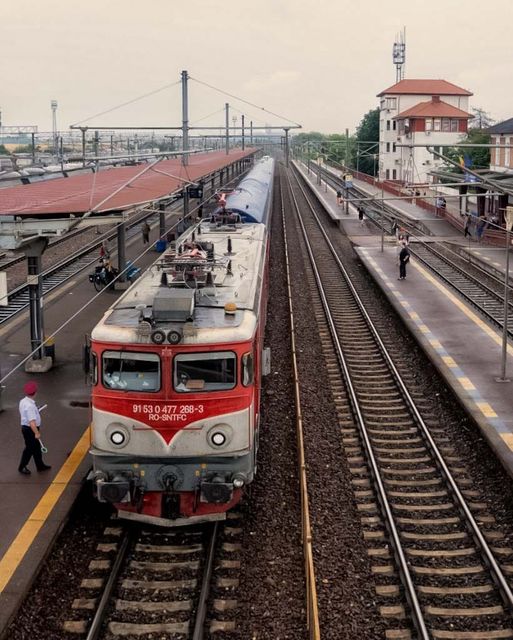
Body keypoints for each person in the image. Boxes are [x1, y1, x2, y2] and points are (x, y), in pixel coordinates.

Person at [18, 381, 51, 475]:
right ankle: (22, 466)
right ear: (35, 392)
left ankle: (40, 465)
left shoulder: (23, 401)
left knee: (36, 448)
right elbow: (32, 422)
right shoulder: (30, 406)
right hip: (30, 430)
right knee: (29, 449)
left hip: (27, 428)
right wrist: (37, 433)